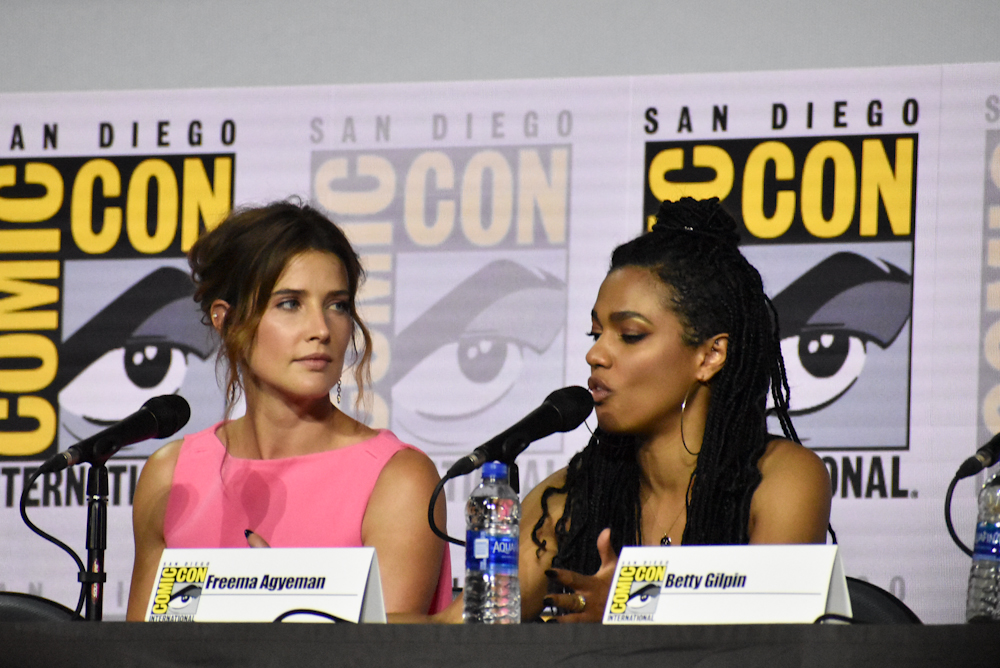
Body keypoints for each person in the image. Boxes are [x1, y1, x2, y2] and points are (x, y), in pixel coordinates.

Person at [429, 196, 831, 624]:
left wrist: (628, 604)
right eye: (596, 333)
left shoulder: (782, 479)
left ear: (711, 355)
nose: (595, 354)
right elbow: (455, 631)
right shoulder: (570, 497)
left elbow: (769, 630)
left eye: (630, 334)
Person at [126, 200, 450, 620]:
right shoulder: (171, 477)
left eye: (337, 305)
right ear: (226, 320)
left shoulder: (398, 480)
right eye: (290, 303)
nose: (321, 329)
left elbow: (388, 652)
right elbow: (139, 648)